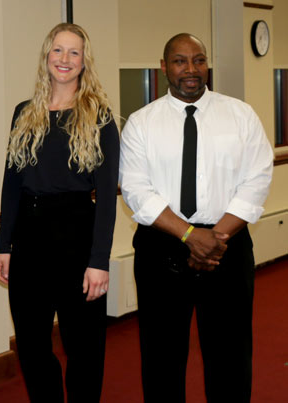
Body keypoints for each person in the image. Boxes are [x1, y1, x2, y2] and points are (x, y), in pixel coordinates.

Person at [120, 33, 273, 402]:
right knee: (161, 355)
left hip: (227, 247)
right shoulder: (141, 124)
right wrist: (190, 235)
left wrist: (214, 238)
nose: (191, 69)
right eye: (180, 61)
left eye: (199, 60)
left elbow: (257, 178)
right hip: (162, 248)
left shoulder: (240, 115)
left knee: (230, 355)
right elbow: (137, 190)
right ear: (164, 67)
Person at [0, 23, 119, 402]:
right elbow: (11, 184)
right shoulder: (24, 113)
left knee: (84, 348)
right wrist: (4, 245)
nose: (65, 59)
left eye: (74, 53)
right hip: (29, 241)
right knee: (32, 347)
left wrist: (100, 261)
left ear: (84, 62)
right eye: (58, 51)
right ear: (47, 56)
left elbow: (109, 197)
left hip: (78, 238)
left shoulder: (99, 116)